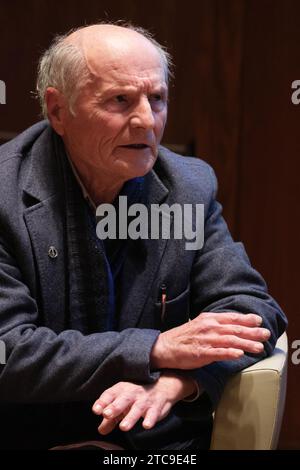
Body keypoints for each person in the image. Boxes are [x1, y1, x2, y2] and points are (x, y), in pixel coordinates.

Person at [0, 23, 287, 450]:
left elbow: (254, 311)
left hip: (154, 445)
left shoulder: (188, 185)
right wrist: (154, 349)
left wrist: (177, 383)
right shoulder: (6, 192)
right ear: (58, 111)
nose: (146, 120)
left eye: (157, 99)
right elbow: (9, 352)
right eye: (120, 100)